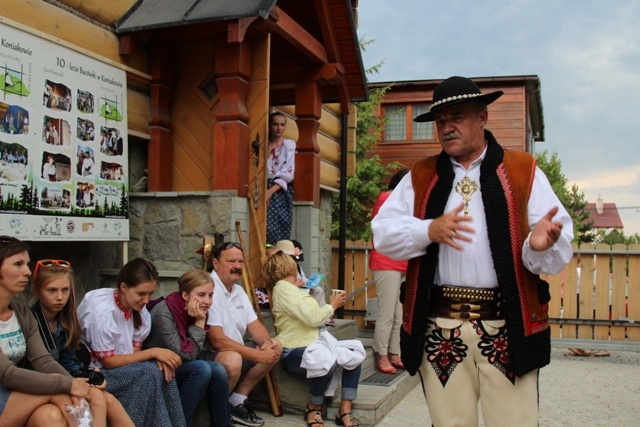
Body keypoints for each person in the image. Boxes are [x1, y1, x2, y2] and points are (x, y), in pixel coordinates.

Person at [371, 76, 574, 426]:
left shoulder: (522, 171)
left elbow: (555, 245)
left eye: (457, 117)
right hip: (439, 327)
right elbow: (383, 236)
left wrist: (537, 246)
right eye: (440, 121)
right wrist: (427, 229)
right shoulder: (420, 176)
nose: (447, 128)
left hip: (507, 325)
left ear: (482, 117)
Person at [0, 236, 103, 426]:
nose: (27, 272)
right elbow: (7, 374)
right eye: (18, 264)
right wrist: (69, 384)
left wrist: (78, 385)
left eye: (27, 264)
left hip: (15, 392)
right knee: (62, 392)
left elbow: (43, 361)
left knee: (50, 415)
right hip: (7, 391)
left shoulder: (21, 312)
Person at [77, 257, 187, 427]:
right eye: (141, 293)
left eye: (150, 293)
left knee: (163, 371)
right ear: (123, 287)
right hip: (96, 374)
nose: (147, 300)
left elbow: (133, 354)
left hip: (122, 369)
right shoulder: (101, 311)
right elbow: (109, 362)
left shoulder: (140, 312)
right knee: (148, 374)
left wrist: (154, 359)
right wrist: (153, 352)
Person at [30, 258, 134, 426]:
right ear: (37, 291)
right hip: (43, 384)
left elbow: (68, 362)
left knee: (106, 399)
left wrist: (89, 377)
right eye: (52, 290)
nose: (59, 297)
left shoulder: (66, 321)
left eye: (65, 290)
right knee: (93, 400)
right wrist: (72, 384)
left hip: (65, 380)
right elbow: (35, 368)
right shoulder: (31, 320)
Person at [265, 251, 362, 427]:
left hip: (313, 343)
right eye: (293, 262)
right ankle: (313, 407)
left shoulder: (291, 289)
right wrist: (332, 306)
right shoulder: (283, 288)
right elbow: (313, 318)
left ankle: (345, 410)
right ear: (288, 266)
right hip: (294, 349)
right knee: (326, 360)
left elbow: (311, 315)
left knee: (354, 353)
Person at [202, 242, 282, 427]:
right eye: (231, 261)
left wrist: (267, 342)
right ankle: (219, 415)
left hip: (235, 350)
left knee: (276, 345)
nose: (237, 266)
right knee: (233, 360)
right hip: (209, 354)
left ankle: (236, 400)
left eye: (240, 261)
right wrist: (257, 354)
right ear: (215, 263)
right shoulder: (208, 289)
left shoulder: (238, 291)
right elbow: (216, 340)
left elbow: (255, 326)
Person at [144, 269, 233, 427]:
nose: (207, 301)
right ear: (185, 295)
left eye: (211, 295)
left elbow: (192, 353)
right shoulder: (164, 313)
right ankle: (180, 423)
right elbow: (188, 354)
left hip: (178, 362)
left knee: (218, 370)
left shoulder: (196, 310)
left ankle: (223, 424)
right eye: (201, 295)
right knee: (201, 369)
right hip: (156, 366)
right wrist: (199, 323)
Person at [369, 169, 409, 374]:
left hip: (401, 264)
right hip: (386, 262)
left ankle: (394, 354)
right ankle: (382, 356)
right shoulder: (387, 198)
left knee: (398, 316)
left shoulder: (404, 202)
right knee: (386, 314)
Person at [266, 112, 296, 245]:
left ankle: (279, 255)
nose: (279, 128)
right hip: (263, 186)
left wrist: (270, 192)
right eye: (275, 124)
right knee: (265, 227)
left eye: (282, 125)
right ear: (270, 126)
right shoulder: (264, 145)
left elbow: (288, 173)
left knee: (280, 225)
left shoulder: (288, 146)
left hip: (280, 189)